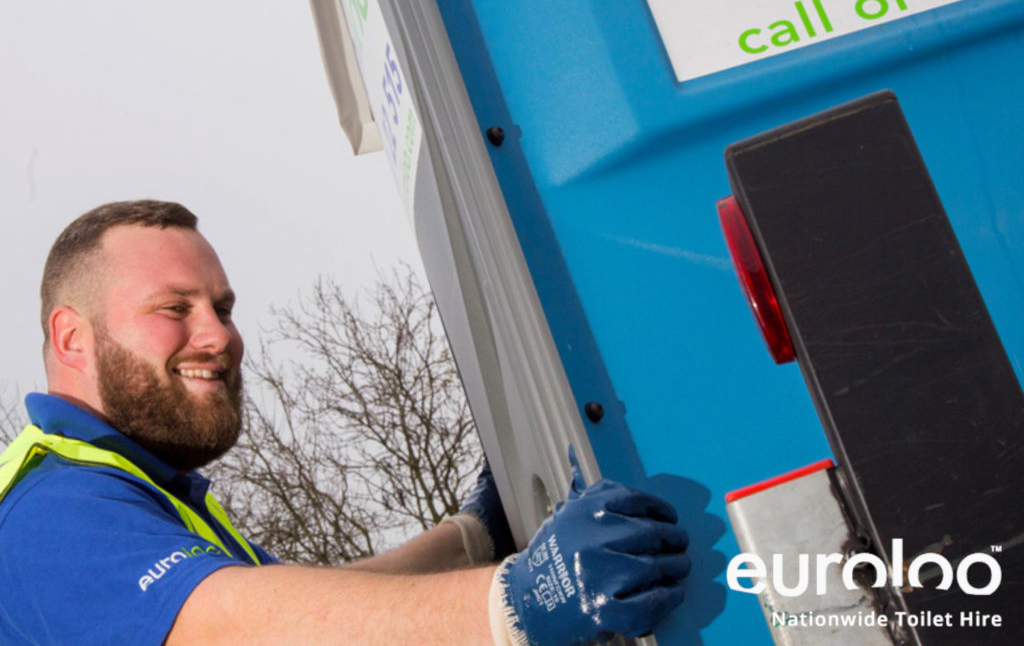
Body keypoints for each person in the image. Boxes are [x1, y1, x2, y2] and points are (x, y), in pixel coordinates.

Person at [0, 200, 690, 646]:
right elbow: (236, 627)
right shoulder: (50, 511)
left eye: (223, 307)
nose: (219, 337)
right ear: (73, 339)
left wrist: (474, 536)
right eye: (174, 310)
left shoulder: (146, 497)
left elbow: (318, 611)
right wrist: (515, 602)